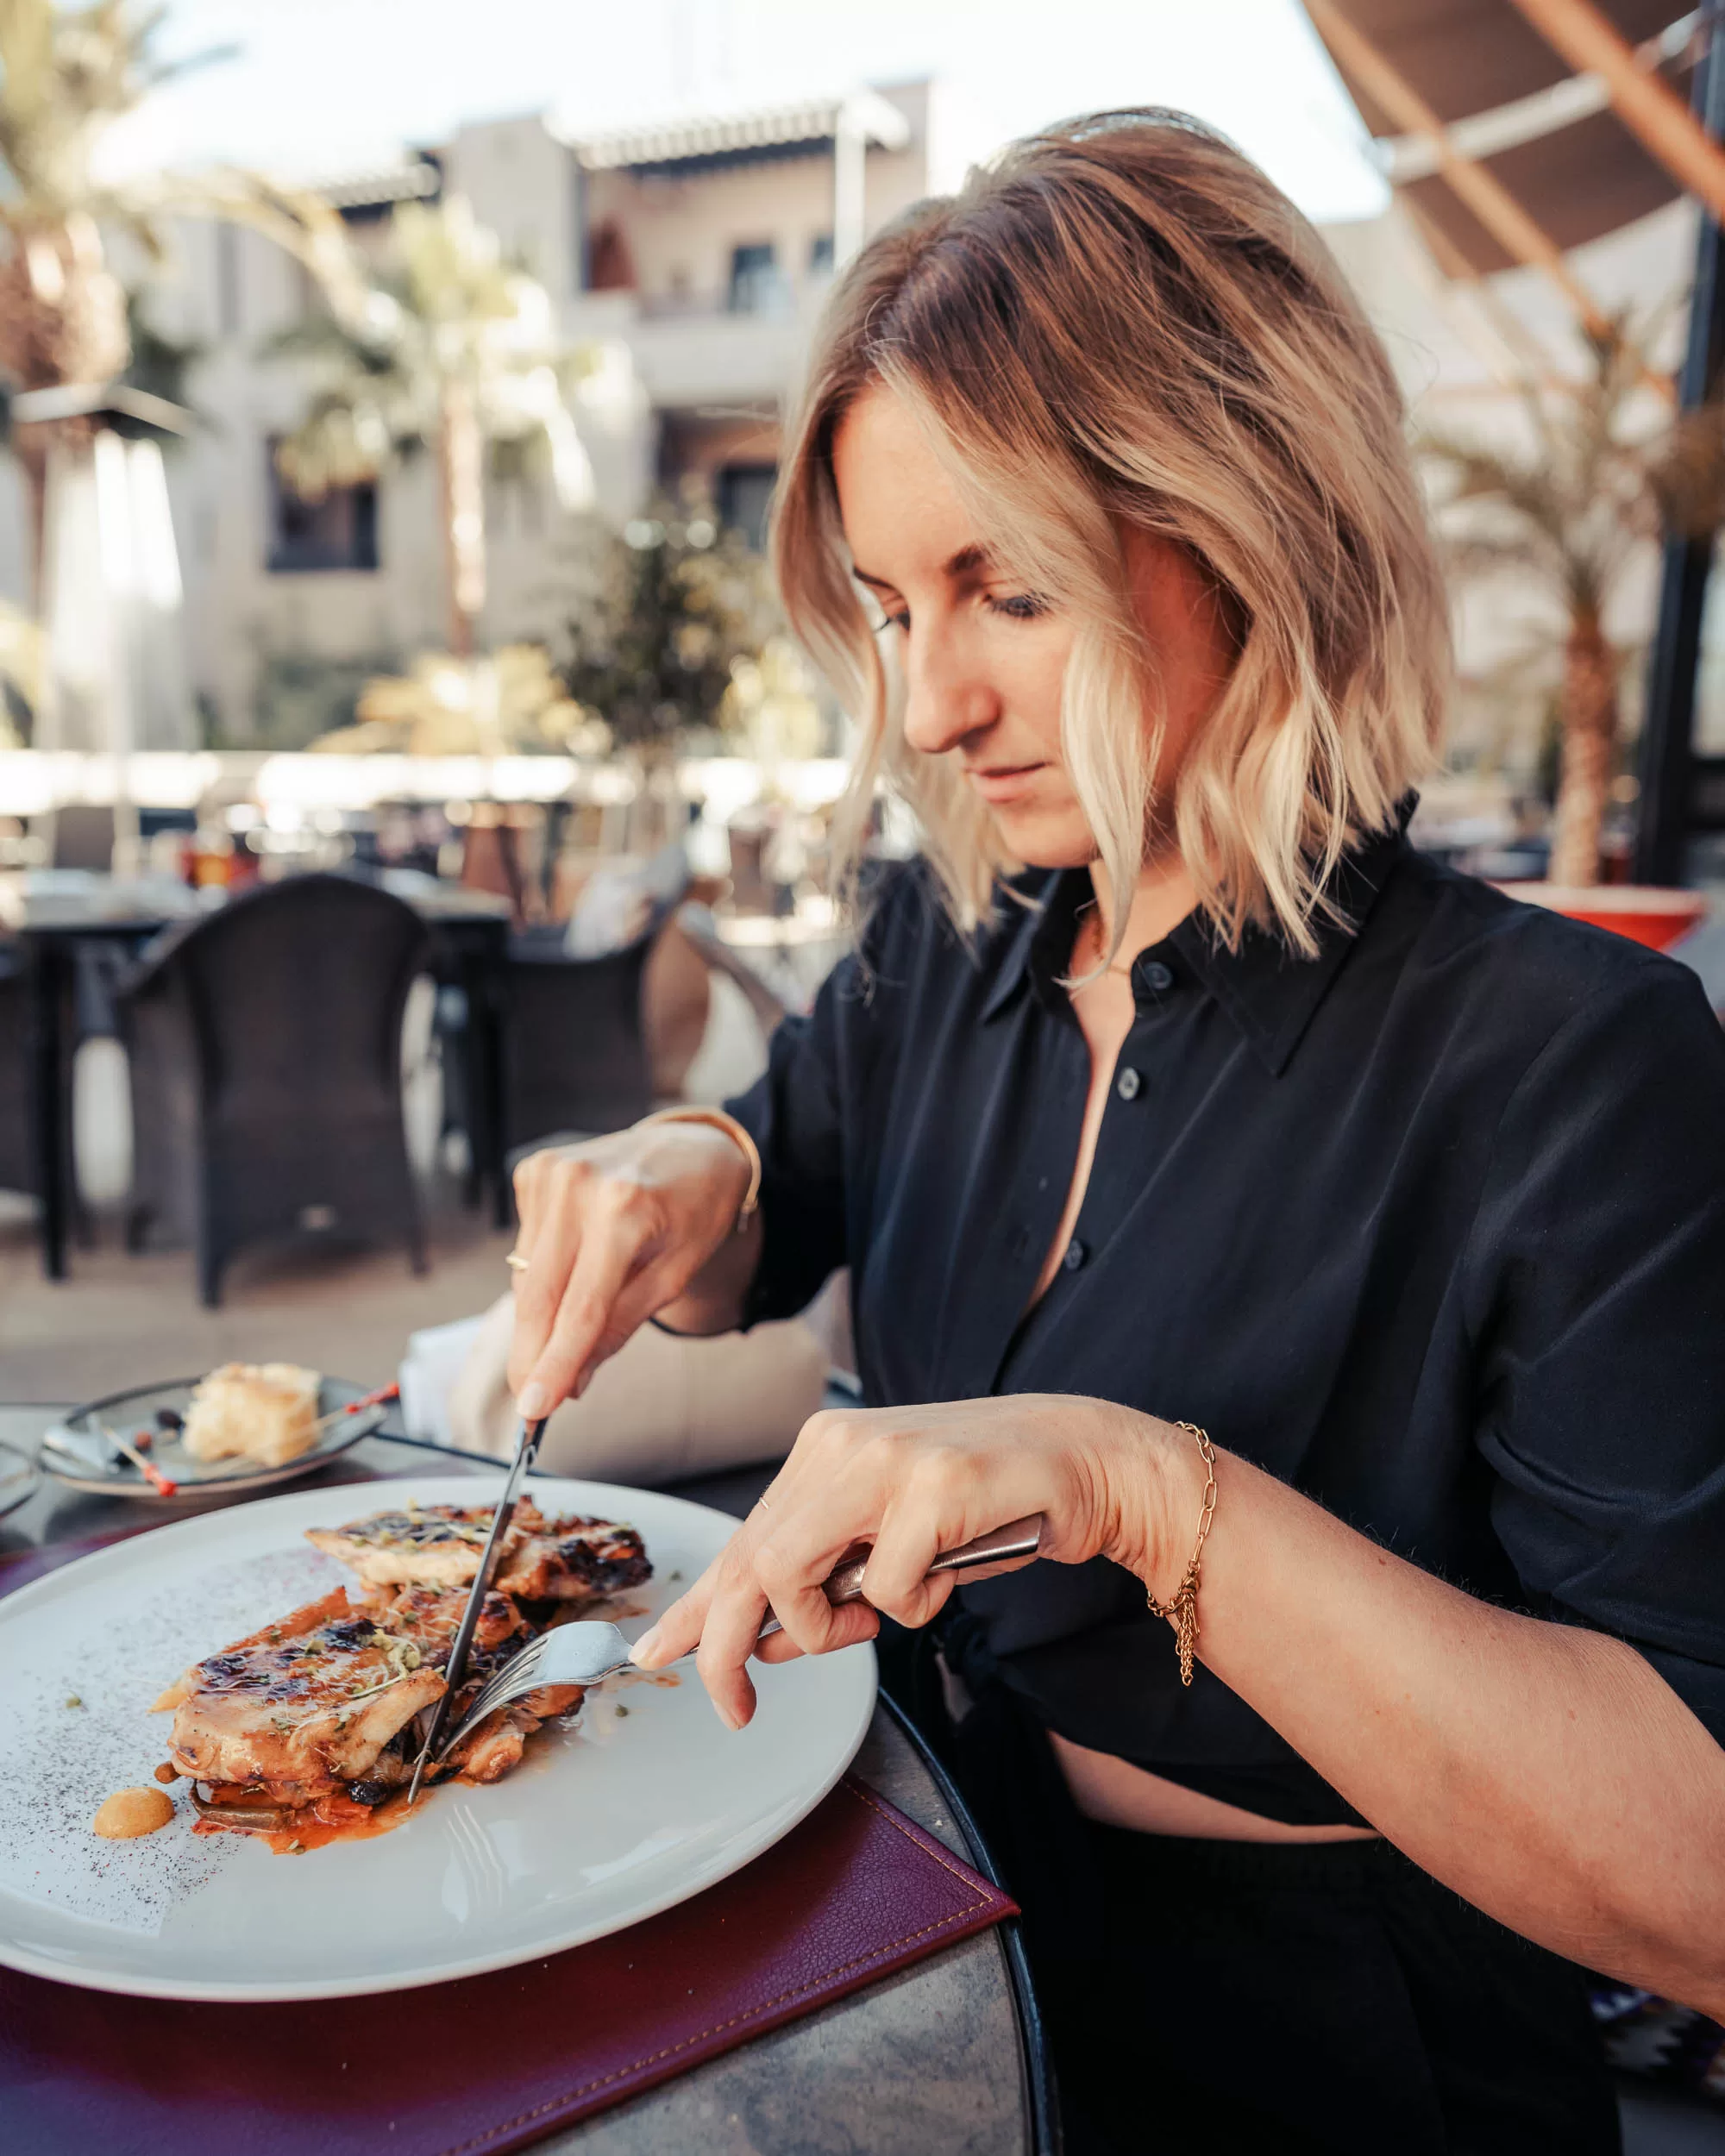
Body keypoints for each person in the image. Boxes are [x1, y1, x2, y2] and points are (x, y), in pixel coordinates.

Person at [505, 112, 1725, 2153]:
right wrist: (684, 1165)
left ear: (1252, 528)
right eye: (894, 607)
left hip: (1337, 2039)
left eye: (1007, 589)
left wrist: (1136, 1490)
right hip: (912, 1893)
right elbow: (765, 1202)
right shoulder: (948, 938)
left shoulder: (1572, 1060)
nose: (929, 705)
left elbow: (1696, 1875)